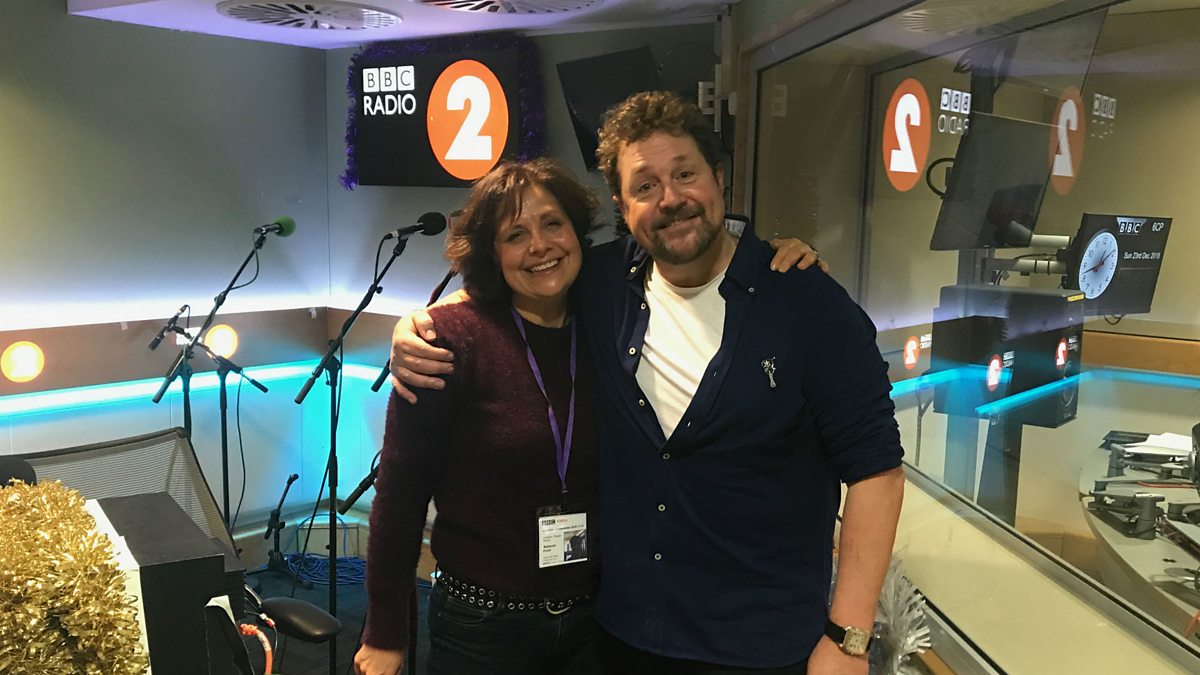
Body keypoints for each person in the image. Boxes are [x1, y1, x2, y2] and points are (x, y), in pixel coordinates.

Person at [391, 91, 904, 674]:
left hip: (761, 645)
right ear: (623, 205)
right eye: (645, 186)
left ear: (718, 177)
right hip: (623, 636)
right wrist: (421, 325)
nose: (671, 199)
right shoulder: (602, 284)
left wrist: (847, 638)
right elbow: (516, 280)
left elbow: (877, 473)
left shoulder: (806, 302)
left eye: (685, 174)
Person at [355, 157, 818, 675]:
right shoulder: (449, 341)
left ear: (578, 233)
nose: (540, 246)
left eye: (552, 223)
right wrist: (385, 633)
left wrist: (776, 255)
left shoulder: (611, 318)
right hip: (483, 625)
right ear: (491, 253)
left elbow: (696, 250)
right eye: (515, 235)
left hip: (595, 622)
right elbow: (399, 493)